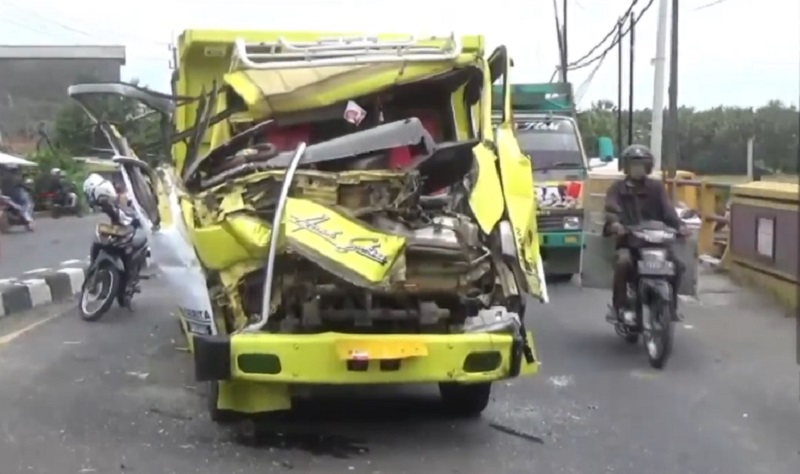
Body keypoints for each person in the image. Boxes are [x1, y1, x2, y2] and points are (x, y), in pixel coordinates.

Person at [603, 144, 690, 322]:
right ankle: (617, 306)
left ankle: (672, 306)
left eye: (641, 165)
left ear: (648, 167)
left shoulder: (656, 188)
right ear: (626, 167)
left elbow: (668, 211)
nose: (637, 169)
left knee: (678, 266)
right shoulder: (617, 188)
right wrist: (616, 224)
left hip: (656, 242)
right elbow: (611, 209)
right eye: (634, 165)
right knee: (623, 262)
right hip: (629, 241)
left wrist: (680, 226)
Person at [83, 173, 148, 289]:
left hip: (132, 230)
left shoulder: (111, 201)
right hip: (126, 229)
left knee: (128, 251)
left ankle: (128, 281)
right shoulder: (110, 201)